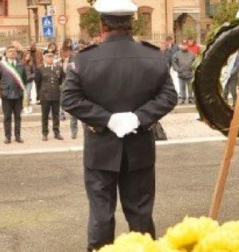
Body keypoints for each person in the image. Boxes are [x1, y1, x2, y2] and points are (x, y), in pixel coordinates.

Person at [61, 0, 177, 250]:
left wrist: (107, 120)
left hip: (100, 148)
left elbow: (69, 99)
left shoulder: (84, 59)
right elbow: (169, 96)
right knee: (140, 215)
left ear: (102, 25)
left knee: (101, 215)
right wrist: (138, 117)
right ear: (132, 24)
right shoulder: (152, 55)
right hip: (139, 146)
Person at [0, 45, 27, 144]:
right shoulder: (2, 65)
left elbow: (24, 79)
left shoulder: (20, 65)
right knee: (7, 117)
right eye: (10, 51)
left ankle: (18, 136)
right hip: (6, 95)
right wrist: (3, 90)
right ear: (6, 53)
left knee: (18, 116)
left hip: (18, 95)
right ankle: (8, 137)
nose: (12, 53)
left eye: (14, 51)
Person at [36, 50, 65, 141]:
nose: (50, 58)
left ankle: (56, 132)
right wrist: (39, 95)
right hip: (45, 95)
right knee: (45, 115)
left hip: (55, 95)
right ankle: (45, 133)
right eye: (48, 57)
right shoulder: (40, 68)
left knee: (56, 115)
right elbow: (38, 82)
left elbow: (61, 80)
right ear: (44, 58)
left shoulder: (58, 68)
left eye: (51, 57)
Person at [172, 39, 195, 104]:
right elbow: (174, 62)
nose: (184, 46)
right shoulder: (177, 54)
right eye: (183, 45)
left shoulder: (192, 54)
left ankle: (191, 98)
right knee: (182, 87)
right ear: (181, 46)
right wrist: (177, 69)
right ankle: (182, 98)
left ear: (187, 45)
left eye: (186, 45)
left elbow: (195, 62)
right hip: (181, 74)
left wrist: (192, 69)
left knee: (190, 87)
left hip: (189, 74)